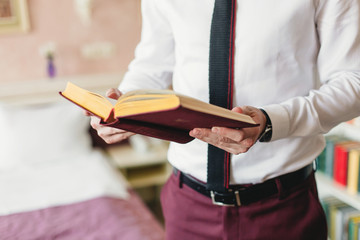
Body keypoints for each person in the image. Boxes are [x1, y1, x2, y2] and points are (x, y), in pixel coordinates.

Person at [88, 0, 360, 239]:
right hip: (187, 205)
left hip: (283, 208)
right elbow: (151, 66)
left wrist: (271, 121)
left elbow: (353, 82)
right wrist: (120, 107)